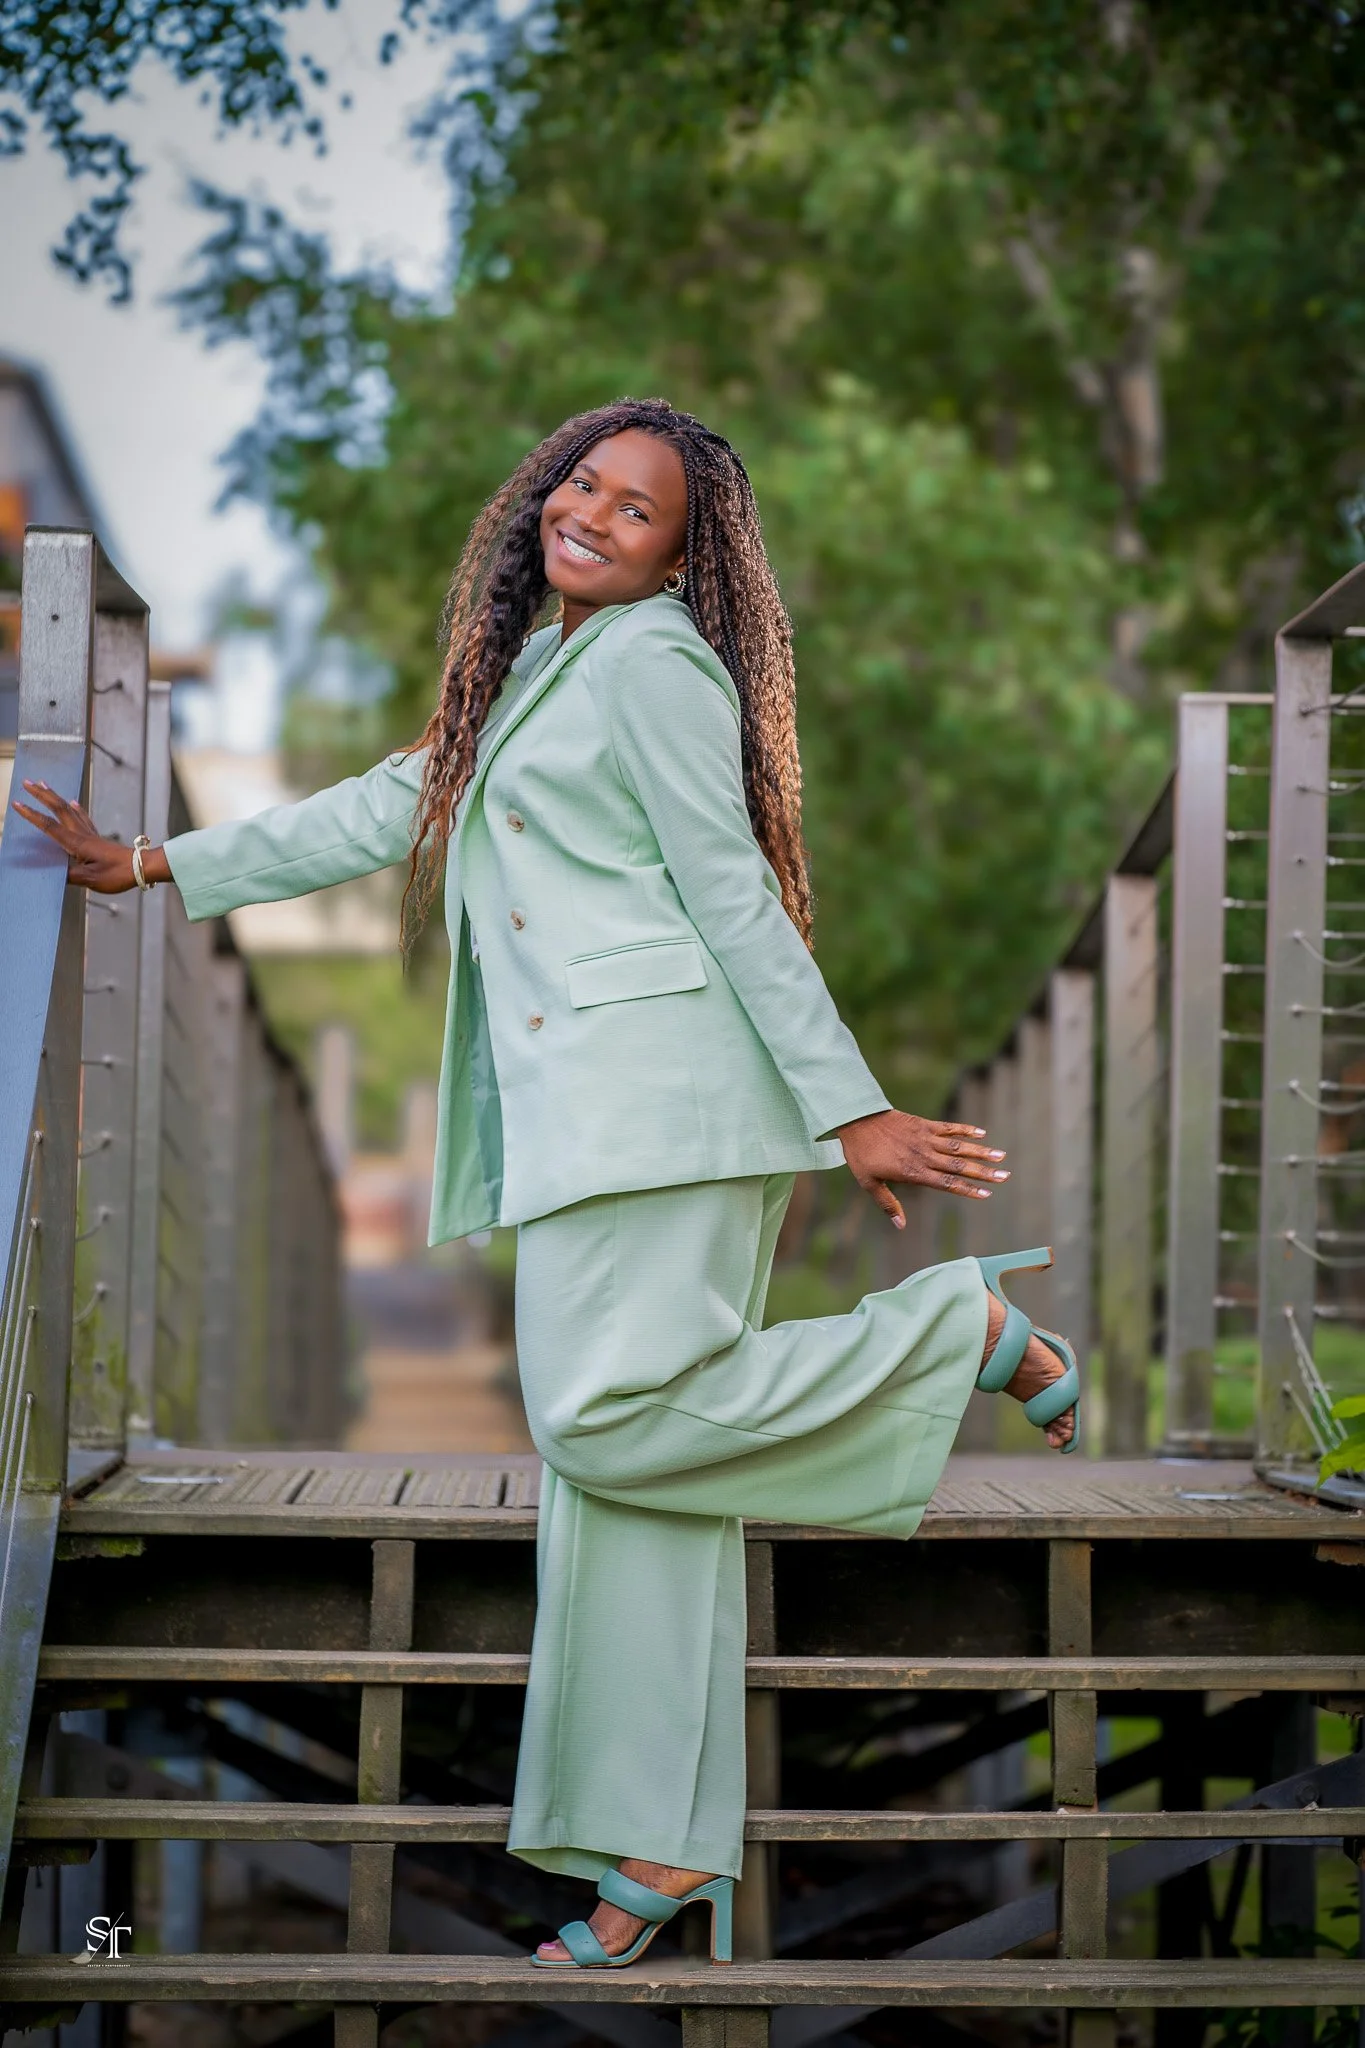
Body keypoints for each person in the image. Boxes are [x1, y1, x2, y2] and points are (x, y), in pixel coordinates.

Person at [17, 396, 1078, 1971]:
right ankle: (659, 1842)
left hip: (673, 1105)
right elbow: (391, 806)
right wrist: (156, 865)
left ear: (679, 558)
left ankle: (953, 1333)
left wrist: (850, 1108)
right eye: (583, 483)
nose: (590, 513)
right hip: (599, 1116)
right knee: (626, 1481)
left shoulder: (656, 665)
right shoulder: (536, 665)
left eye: (636, 509)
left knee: (600, 1421)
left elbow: (729, 889)